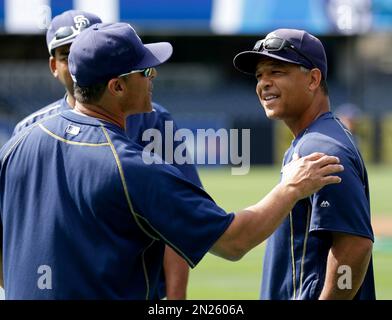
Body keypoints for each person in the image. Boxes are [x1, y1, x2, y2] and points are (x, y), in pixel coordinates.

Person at [0, 22, 343, 299]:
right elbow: (235, 240)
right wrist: (291, 186)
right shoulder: (128, 166)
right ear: (117, 87)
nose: (154, 76)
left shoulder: (20, 142)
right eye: (144, 71)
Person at [12, 10, 199, 300]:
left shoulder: (153, 120)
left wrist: (175, 300)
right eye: (66, 54)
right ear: (53, 65)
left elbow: (179, 221)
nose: (78, 59)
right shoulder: (28, 131)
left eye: (84, 47)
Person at [233, 28, 375, 300]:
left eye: (276, 72)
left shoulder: (321, 148)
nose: (264, 83)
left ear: (313, 79)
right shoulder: (311, 140)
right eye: (259, 75)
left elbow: (354, 247)